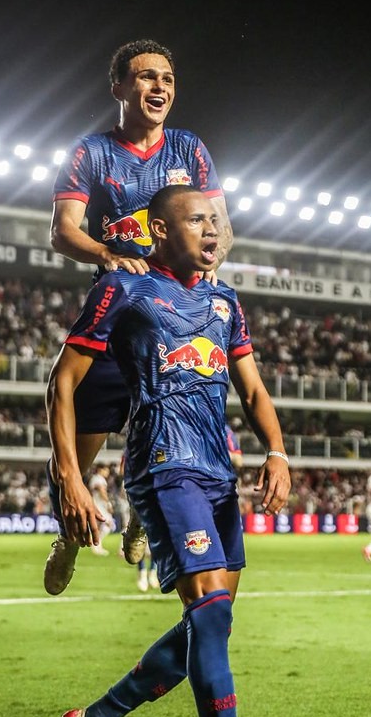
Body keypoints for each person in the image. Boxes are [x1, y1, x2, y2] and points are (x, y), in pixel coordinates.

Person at [46, 184, 289, 717]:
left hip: (218, 472)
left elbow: (253, 388)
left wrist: (277, 452)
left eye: (214, 220)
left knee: (213, 622)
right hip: (162, 466)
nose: (211, 230)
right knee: (208, 615)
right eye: (196, 220)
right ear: (159, 230)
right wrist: (70, 476)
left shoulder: (224, 300)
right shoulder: (123, 288)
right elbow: (64, 380)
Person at [43, 38, 233, 597]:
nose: (160, 87)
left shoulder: (190, 148)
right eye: (147, 77)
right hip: (119, 311)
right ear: (120, 88)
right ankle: (68, 535)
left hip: (175, 318)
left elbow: (222, 227)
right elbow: (62, 230)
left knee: (174, 433)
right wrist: (107, 253)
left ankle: (141, 518)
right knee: (78, 449)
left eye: (168, 79)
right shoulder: (91, 152)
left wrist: (209, 269)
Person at [87, 463, 114, 556]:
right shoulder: (99, 479)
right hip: (100, 506)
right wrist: (108, 503)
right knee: (108, 523)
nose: (107, 472)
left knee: (99, 526)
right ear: (100, 470)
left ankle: (97, 545)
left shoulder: (94, 478)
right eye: (106, 470)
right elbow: (102, 491)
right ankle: (96, 545)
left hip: (96, 505)